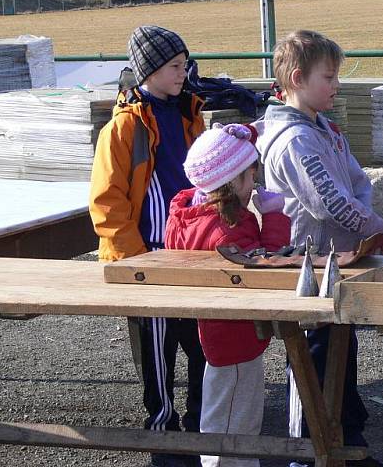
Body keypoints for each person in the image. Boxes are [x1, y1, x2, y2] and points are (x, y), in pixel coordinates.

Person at [254, 30, 383, 467]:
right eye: (329, 77)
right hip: (308, 267)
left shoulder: (324, 128)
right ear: (297, 78)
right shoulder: (295, 139)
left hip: (338, 260)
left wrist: (365, 225)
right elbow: (328, 200)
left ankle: (344, 442)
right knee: (313, 365)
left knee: (341, 354)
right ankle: (307, 450)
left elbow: (355, 183)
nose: (336, 86)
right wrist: (375, 228)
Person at [89, 25, 206, 467]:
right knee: (157, 352)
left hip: (190, 253)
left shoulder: (188, 114)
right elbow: (107, 201)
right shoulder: (121, 129)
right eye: (176, 66)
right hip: (145, 258)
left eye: (184, 65)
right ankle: (163, 433)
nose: (184, 73)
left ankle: (199, 429)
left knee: (200, 343)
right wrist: (134, 260)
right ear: (151, 69)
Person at [165, 123, 290, 467]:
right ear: (233, 182)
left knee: (222, 411)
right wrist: (275, 217)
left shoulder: (187, 216)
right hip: (237, 337)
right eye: (250, 179)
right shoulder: (228, 231)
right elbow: (269, 268)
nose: (254, 188)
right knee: (236, 423)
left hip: (213, 334)